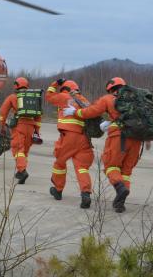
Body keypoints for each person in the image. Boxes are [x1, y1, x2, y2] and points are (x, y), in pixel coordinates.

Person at [64, 77, 148, 213]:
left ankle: (120, 188)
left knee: (111, 166)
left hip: (119, 136)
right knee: (126, 171)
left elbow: (91, 111)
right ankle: (120, 203)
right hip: (137, 138)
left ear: (110, 89)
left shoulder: (108, 99)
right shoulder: (137, 99)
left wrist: (75, 112)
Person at [46, 79, 95, 209]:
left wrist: (55, 84)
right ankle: (86, 194)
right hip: (85, 139)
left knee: (59, 162)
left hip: (69, 136)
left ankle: (58, 189)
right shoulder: (84, 100)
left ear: (65, 89)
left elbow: (49, 96)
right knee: (81, 167)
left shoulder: (64, 96)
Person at [0, 77, 42, 184]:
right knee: (25, 151)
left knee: (18, 150)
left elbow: (3, 112)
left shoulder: (13, 97)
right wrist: (36, 131)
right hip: (31, 127)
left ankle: (22, 171)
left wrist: (2, 125)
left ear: (16, 85)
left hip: (19, 126)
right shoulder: (34, 98)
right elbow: (38, 116)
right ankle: (19, 171)